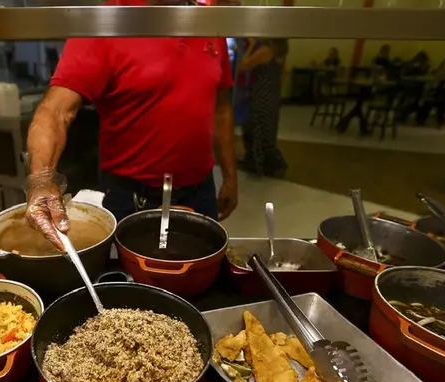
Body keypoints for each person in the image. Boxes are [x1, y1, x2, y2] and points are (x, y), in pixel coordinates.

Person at [24, 0, 238, 250]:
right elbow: (55, 111)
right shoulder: (109, 21)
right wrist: (41, 182)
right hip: (132, 199)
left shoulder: (208, 22)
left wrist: (230, 176)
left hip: (201, 193)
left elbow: (221, 109)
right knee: (128, 283)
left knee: (201, 277)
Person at [238, 38, 289, 177]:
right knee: (267, 128)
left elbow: (243, 66)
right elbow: (283, 74)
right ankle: (269, 163)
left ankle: (256, 162)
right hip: (272, 95)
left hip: (260, 94)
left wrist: (252, 46)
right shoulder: (280, 53)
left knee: (254, 125)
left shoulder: (266, 51)